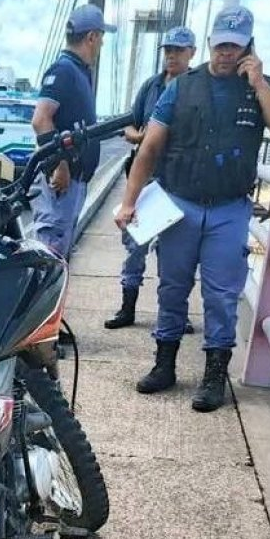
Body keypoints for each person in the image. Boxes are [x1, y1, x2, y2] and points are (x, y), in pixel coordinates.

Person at [113, 6, 270, 412]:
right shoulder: (182, 88)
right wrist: (129, 201)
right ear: (210, 43)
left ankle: (215, 374)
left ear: (248, 46)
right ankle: (164, 365)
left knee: (221, 294)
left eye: (234, 46)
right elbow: (150, 147)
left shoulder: (262, 86)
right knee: (172, 286)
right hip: (180, 202)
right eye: (220, 45)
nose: (225, 54)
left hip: (229, 208)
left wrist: (259, 83)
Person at [105, 26, 197, 332]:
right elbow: (129, 126)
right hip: (145, 181)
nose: (171, 55)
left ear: (192, 53)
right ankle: (127, 308)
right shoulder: (151, 86)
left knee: (175, 256)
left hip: (179, 183)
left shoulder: (197, 88)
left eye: (178, 50)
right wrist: (141, 137)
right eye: (168, 50)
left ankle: (174, 316)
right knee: (134, 247)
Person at [32, 3, 115, 258]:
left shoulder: (79, 71)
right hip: (62, 185)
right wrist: (60, 165)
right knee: (49, 257)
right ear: (92, 37)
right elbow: (41, 119)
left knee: (59, 256)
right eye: (101, 38)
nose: (101, 45)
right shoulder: (64, 70)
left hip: (74, 184)